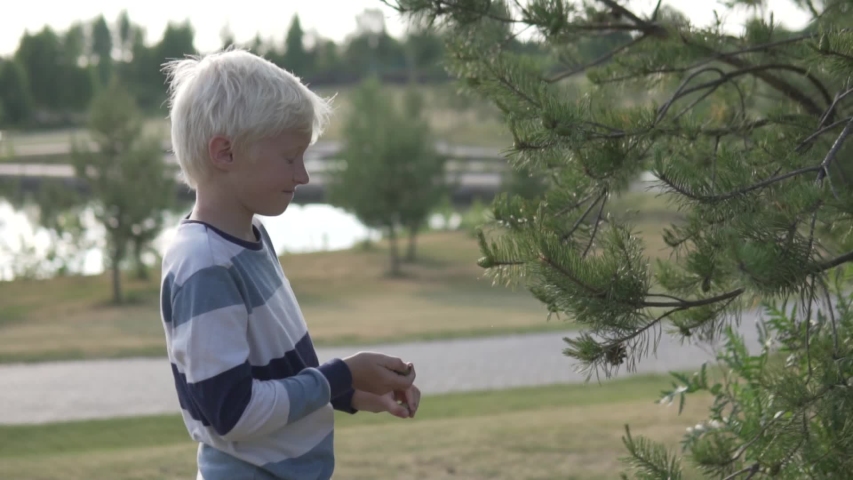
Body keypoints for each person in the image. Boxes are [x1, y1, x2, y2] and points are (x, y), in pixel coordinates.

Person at [157, 48, 421, 480]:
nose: (303, 176)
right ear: (224, 152)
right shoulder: (204, 264)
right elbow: (234, 413)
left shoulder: (249, 240)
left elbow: (277, 375)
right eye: (289, 158)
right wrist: (337, 376)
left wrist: (354, 391)